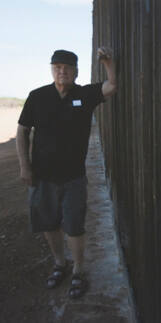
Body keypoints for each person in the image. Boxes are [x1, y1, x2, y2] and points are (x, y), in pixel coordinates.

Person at [16, 47, 116, 298]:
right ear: (52, 70)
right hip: (42, 176)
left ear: (76, 71)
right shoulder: (37, 97)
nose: (63, 71)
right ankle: (60, 264)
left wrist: (107, 63)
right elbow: (22, 131)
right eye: (58, 67)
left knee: (74, 225)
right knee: (49, 224)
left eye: (68, 67)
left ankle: (79, 271)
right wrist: (24, 166)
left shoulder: (85, 94)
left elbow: (112, 85)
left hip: (73, 177)